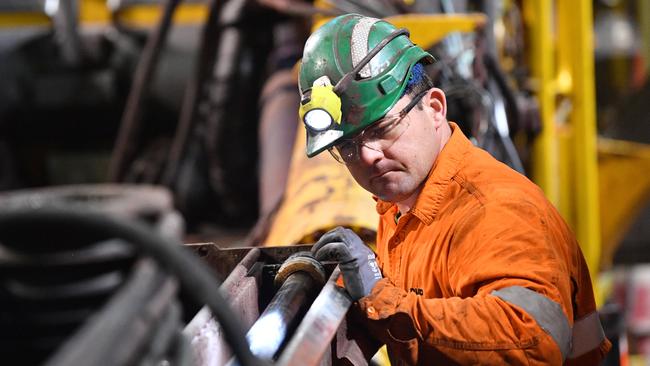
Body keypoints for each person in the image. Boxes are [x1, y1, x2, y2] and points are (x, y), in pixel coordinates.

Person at [298, 14, 611, 365]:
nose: (369, 156)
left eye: (383, 129)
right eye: (350, 147)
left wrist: (380, 298)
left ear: (434, 108)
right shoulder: (404, 207)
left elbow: (531, 340)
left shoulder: (494, 207)